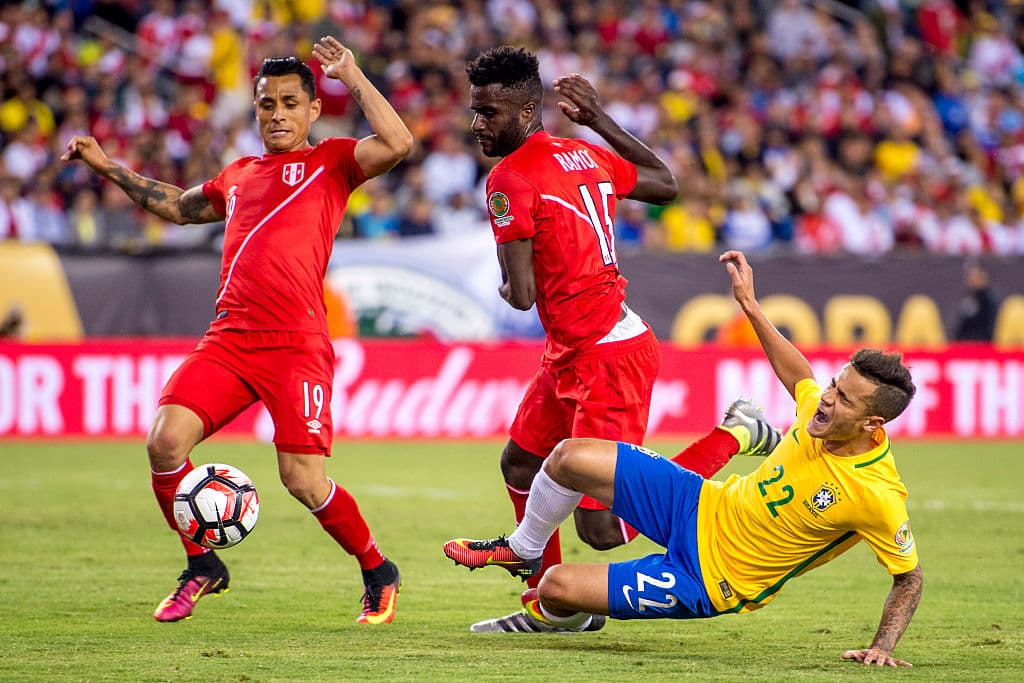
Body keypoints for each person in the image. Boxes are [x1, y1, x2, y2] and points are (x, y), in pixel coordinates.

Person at [62, 37, 413, 625]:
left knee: (302, 480)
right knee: (163, 443)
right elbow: (177, 207)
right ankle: (202, 565)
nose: (277, 114)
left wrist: (351, 75)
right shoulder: (239, 174)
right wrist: (108, 168)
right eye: (266, 103)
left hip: (296, 345)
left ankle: (378, 569)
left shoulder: (333, 163)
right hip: (229, 340)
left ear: (312, 110)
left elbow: (399, 143)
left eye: (290, 103)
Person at [445, 249, 923, 669]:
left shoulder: (876, 495)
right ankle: (525, 546)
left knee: (555, 586)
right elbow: (800, 374)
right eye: (836, 385)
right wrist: (751, 307)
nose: (827, 399)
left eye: (844, 399)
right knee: (568, 455)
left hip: (709, 578)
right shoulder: (819, 411)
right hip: (698, 504)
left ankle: (568, 616)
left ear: (871, 425)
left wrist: (882, 645)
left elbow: (909, 578)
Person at [460, 46, 684, 631]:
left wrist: (508, 257)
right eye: (475, 111)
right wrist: (600, 121)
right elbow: (666, 184)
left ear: (527, 109)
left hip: (608, 356)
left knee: (601, 530)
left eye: (489, 112)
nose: (477, 123)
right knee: (520, 463)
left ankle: (725, 443)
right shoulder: (585, 152)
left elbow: (520, 295)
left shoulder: (508, 179)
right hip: (572, 352)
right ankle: (550, 608)